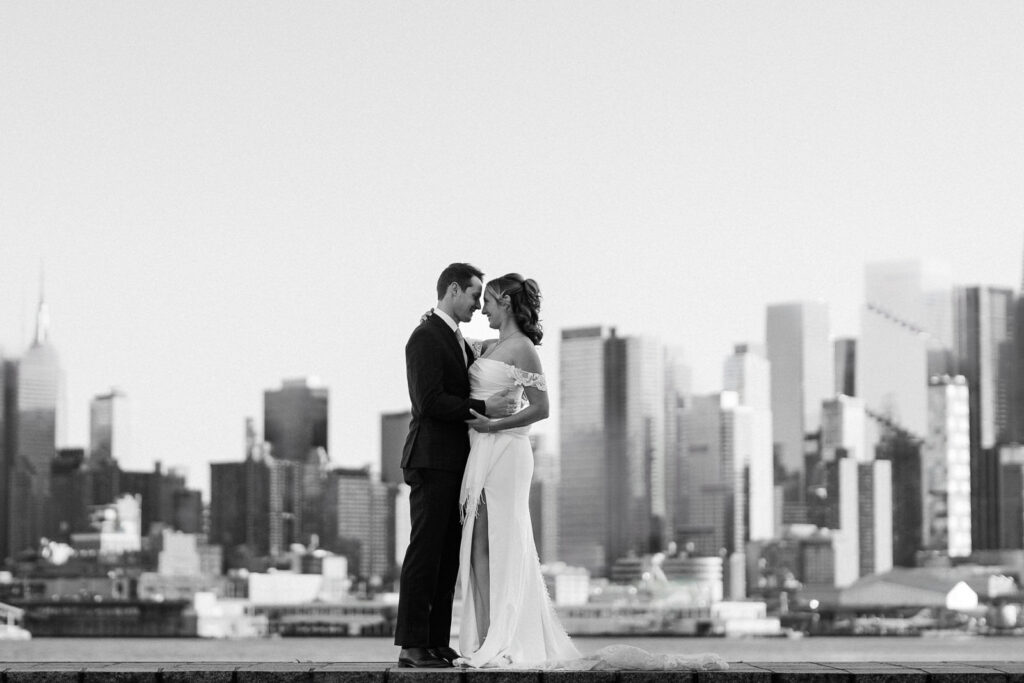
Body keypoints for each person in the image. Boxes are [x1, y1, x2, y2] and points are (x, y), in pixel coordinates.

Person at [457, 274, 727, 672]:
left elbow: (541, 407)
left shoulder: (524, 349)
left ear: (507, 303)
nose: (483, 309)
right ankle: (484, 637)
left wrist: (493, 424)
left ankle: (502, 639)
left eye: (489, 302)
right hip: (480, 450)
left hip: (508, 451)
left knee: (505, 542)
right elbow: (456, 350)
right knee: (477, 543)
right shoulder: (487, 346)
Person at [395, 263, 515, 669]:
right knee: (425, 552)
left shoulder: (456, 338)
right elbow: (428, 401)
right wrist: (483, 407)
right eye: (475, 295)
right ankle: (412, 645)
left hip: (455, 463)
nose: (478, 305)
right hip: (430, 461)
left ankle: (435, 642)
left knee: (448, 555)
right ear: (452, 290)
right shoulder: (425, 337)